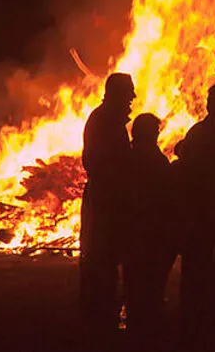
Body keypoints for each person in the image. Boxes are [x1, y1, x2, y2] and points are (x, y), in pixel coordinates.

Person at [173, 82, 215, 331]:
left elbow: (188, 162)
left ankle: (193, 319)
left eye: (211, 101)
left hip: (204, 211)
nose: (208, 105)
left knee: (197, 267)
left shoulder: (202, 132)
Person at [79, 73, 135, 323]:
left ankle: (101, 311)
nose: (133, 97)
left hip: (108, 197)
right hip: (106, 200)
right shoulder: (105, 122)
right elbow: (105, 164)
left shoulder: (108, 120)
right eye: (129, 92)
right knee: (103, 257)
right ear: (116, 93)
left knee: (106, 258)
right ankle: (99, 316)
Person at [122, 113, 177, 335]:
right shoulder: (152, 159)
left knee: (134, 278)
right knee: (150, 279)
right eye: (155, 131)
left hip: (133, 229)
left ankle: (137, 320)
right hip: (150, 230)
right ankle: (147, 325)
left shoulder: (128, 156)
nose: (157, 134)